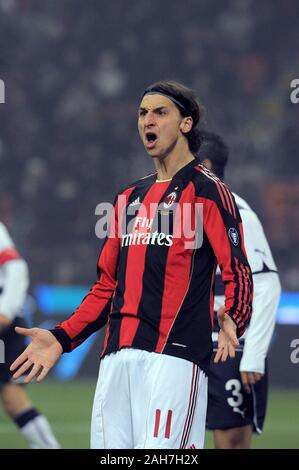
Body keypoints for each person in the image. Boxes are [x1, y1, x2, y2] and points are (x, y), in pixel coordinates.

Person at [10, 81, 253, 449]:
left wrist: (235, 315)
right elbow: (107, 287)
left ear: (186, 124)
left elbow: (237, 269)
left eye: (160, 112)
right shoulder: (128, 198)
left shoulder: (207, 191)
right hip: (116, 362)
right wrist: (62, 338)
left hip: (175, 359)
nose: (147, 121)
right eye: (142, 113)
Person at [198, 131, 281, 449]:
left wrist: (254, 356)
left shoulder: (239, 214)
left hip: (230, 349)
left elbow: (266, 282)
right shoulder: (182, 214)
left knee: (230, 442)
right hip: (188, 346)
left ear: (204, 166)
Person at [0, 221, 60, 449]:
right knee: (11, 396)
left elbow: (15, 266)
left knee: (12, 395)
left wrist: (5, 310)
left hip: (4, 324)